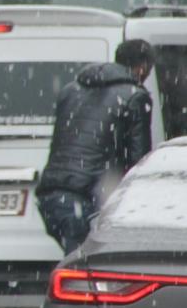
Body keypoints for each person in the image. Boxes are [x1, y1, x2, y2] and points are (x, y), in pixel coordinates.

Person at [35, 39, 155, 254]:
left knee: (79, 262)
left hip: (52, 195)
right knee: (92, 272)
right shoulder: (136, 96)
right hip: (88, 198)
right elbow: (139, 162)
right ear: (143, 67)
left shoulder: (71, 90)